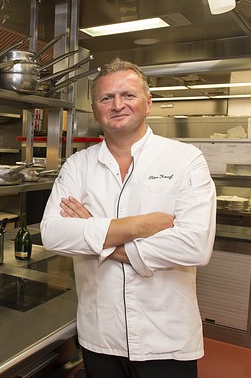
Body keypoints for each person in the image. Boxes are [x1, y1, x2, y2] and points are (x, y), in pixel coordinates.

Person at [40, 58, 216, 378]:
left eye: (128, 95)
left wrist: (95, 235)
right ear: (95, 109)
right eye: (106, 98)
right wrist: (145, 224)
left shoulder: (185, 159)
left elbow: (194, 245)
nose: (117, 104)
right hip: (100, 334)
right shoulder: (78, 166)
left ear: (148, 103)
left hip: (166, 337)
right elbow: (53, 233)